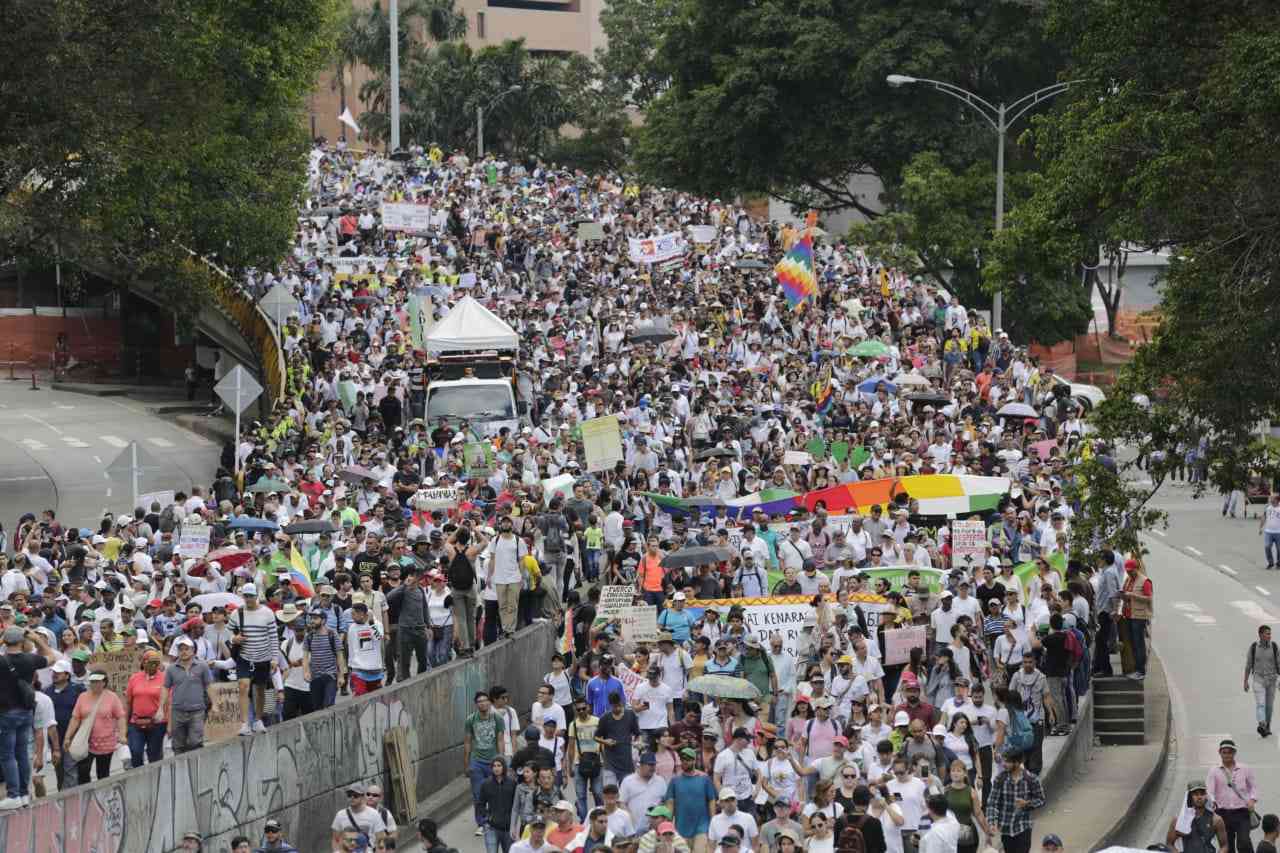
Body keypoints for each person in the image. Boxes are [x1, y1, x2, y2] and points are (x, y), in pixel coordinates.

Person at [0, 624, 57, 808]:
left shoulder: (2, 661)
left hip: (6, 713)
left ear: (5, 641)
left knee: (7, 755)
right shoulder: (30, 659)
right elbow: (52, 657)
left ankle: (13, 794)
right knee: (22, 754)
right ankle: (24, 793)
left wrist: (2, 637)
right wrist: (37, 639)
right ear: (22, 641)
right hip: (26, 712)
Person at [64, 668, 126, 785]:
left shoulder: (112, 697)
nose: (94, 684)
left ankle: (102, 795)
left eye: (97, 681)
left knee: (103, 774)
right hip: (86, 742)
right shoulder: (82, 697)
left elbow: (120, 717)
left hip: (106, 743)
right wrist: (68, 737)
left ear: (104, 682)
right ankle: (87, 794)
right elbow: (75, 718)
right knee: (83, 772)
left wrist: (122, 735)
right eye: (92, 681)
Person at [231, 584, 278, 734]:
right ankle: (245, 723)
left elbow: (273, 637)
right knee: (243, 686)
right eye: (246, 596)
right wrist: (234, 638)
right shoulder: (236, 613)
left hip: (263, 657)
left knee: (260, 689)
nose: (248, 599)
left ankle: (257, 720)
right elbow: (228, 632)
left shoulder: (267, 613)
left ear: (256, 596)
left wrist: (274, 658)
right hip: (244, 656)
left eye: (251, 596)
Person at [984, 748, 1045, 853]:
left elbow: (1041, 799)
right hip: (1006, 830)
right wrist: (991, 822)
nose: (1003, 764)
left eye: (1007, 761)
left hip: (1023, 827)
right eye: (1003, 760)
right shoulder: (1000, 779)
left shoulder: (1031, 779)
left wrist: (1027, 804)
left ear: (1017, 763)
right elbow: (992, 803)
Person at [466, 691, 509, 837]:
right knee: (478, 794)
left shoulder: (497, 718)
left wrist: (501, 760)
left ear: (489, 703)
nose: (483, 703)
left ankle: (494, 819)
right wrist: (467, 764)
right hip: (476, 761)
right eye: (480, 701)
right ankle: (482, 823)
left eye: (485, 700)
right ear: (476, 704)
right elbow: (467, 742)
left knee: (494, 792)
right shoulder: (471, 720)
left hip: (493, 761)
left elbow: (500, 740)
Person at [163, 635, 215, 754]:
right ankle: (180, 765)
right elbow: (165, 688)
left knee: (195, 742)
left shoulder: (202, 666)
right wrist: (161, 708)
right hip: (178, 711)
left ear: (193, 650)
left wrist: (215, 704)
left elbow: (208, 685)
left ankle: (196, 764)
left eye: (186, 649)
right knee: (178, 745)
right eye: (181, 649)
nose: (183, 652)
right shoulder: (171, 669)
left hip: (197, 710)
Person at [1208, 739, 1259, 853]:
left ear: (1234, 753)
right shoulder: (1214, 771)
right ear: (1220, 753)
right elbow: (1210, 791)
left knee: (1244, 842)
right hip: (1222, 814)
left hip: (1242, 812)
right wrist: (1213, 801)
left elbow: (1254, 787)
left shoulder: (1245, 768)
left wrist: (1252, 800)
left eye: (1230, 752)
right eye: (1224, 752)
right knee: (1228, 846)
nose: (1227, 755)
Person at [666, 746, 717, 850]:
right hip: (681, 828)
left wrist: (713, 822)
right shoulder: (675, 780)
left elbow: (711, 800)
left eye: (688, 759)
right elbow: (670, 803)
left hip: (702, 827)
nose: (685, 761)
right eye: (682, 759)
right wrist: (668, 825)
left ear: (694, 760)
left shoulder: (704, 778)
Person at [125, 648, 167, 767]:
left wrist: (170, 725)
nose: (153, 665)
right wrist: (125, 725)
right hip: (136, 722)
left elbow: (169, 703)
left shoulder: (164, 678)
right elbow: (128, 703)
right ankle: (139, 774)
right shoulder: (134, 678)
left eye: (156, 663)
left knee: (154, 754)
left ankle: (155, 776)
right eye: (150, 662)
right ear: (143, 663)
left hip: (157, 723)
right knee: (135, 751)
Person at [1167, 781, 1227, 853]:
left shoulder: (1216, 819)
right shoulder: (1179, 820)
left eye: (1202, 794)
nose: (1199, 797)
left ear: (1206, 796)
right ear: (1189, 796)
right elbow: (1169, 844)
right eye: (1195, 794)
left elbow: (1224, 846)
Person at [1120, 559, 1153, 681]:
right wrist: (1123, 595)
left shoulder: (1145, 581)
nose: (1129, 573)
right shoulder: (1128, 580)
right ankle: (1136, 669)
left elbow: (1149, 598)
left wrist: (1132, 595)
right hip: (1129, 615)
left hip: (1139, 616)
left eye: (1131, 571)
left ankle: (1141, 671)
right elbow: (1125, 593)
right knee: (1133, 643)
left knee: (1139, 644)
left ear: (1136, 569)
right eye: (1127, 571)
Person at [331, 782, 386, 853]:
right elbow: (335, 839)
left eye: (355, 795)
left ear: (363, 797)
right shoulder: (340, 815)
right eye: (349, 795)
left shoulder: (374, 814)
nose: (352, 798)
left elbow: (380, 840)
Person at [1244, 625, 1278, 738]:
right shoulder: (1254, 648)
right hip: (1258, 679)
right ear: (1260, 634)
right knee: (1261, 704)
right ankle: (1262, 724)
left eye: (1270, 634)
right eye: (1267, 633)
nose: (1269, 636)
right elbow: (1248, 665)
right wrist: (1245, 681)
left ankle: (1267, 726)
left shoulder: (1274, 647)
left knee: (1269, 706)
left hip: (1271, 681)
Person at [481, 757, 519, 853]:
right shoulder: (486, 784)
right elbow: (480, 804)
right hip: (491, 828)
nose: (496, 768)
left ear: (504, 767)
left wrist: (514, 825)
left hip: (508, 828)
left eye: (499, 765)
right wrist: (485, 818)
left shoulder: (512, 783)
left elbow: (516, 805)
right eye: (494, 766)